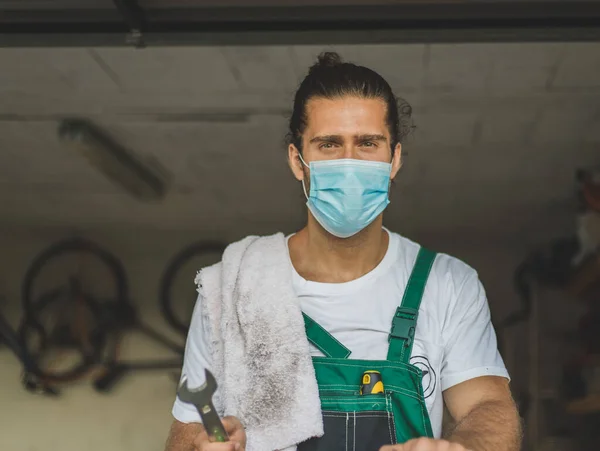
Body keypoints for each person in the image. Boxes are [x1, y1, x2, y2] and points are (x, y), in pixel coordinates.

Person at [165, 52, 522, 451]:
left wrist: (465, 449)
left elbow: (487, 405)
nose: (349, 162)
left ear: (395, 159)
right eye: (329, 144)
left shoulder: (448, 284)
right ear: (297, 161)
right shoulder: (229, 290)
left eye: (368, 143)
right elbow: (187, 436)